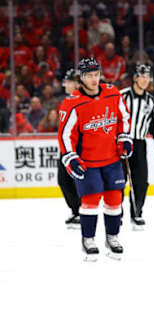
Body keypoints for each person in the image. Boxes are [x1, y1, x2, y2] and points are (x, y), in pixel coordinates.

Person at [58, 58, 132, 261]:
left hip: (111, 158)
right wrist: (70, 157)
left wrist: (124, 137)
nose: (94, 79)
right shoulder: (72, 103)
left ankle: (112, 237)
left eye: (96, 74)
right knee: (90, 201)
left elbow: (123, 118)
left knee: (114, 199)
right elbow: (65, 134)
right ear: (81, 78)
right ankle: (88, 239)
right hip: (88, 162)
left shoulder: (113, 93)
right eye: (89, 76)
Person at [120, 64, 154, 229]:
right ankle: (116, 213)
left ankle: (137, 213)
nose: (145, 80)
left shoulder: (150, 101)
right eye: (142, 76)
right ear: (135, 78)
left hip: (139, 144)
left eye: (148, 77)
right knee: (119, 180)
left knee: (141, 181)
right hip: (121, 143)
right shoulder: (122, 96)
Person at [57, 69, 82, 228]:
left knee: (76, 179)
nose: (65, 84)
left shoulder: (84, 100)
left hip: (78, 146)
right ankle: (76, 210)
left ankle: (81, 210)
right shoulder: (67, 100)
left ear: (77, 83)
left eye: (68, 81)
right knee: (63, 179)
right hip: (66, 147)